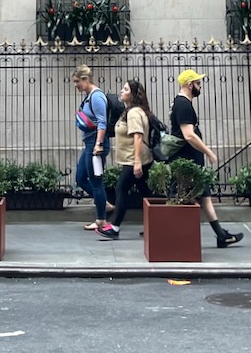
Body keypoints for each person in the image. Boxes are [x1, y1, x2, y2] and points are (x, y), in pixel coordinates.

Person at [170, 69, 242, 247]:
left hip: (190, 158)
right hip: (188, 160)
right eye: (198, 83)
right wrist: (209, 152)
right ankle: (176, 236)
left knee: (205, 195)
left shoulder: (182, 103)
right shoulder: (183, 105)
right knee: (185, 196)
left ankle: (220, 235)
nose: (200, 86)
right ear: (190, 85)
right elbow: (189, 135)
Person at [97, 80, 153, 240]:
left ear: (133, 95)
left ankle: (114, 227)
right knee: (146, 193)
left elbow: (138, 136)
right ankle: (159, 222)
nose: (121, 91)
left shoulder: (134, 112)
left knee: (121, 190)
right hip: (136, 159)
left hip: (134, 160)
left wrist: (136, 162)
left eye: (126, 89)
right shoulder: (131, 110)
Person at [71, 65, 109, 230]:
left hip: (95, 144)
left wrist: (98, 144)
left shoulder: (96, 96)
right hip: (90, 143)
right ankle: (104, 203)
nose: (76, 85)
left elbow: (102, 121)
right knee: (80, 178)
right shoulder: (88, 97)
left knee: (95, 182)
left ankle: (101, 220)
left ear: (85, 79)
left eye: (77, 81)